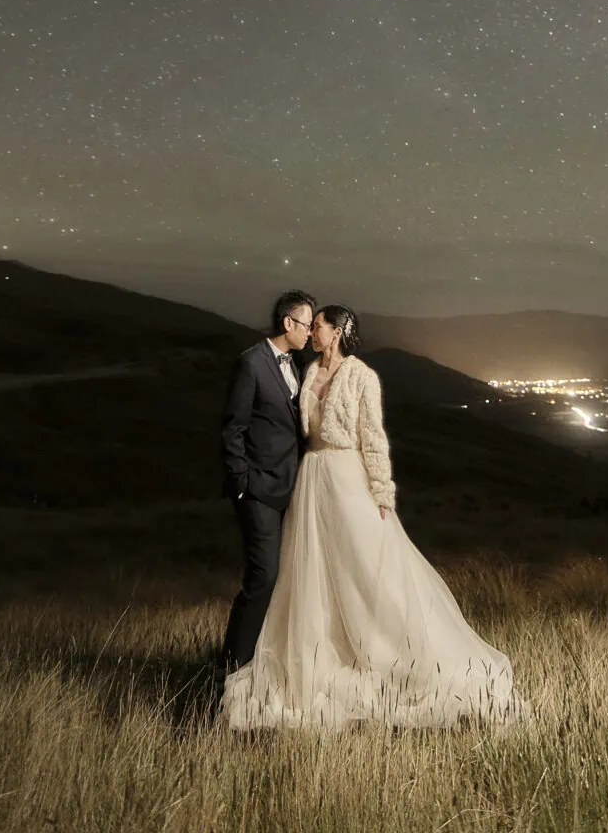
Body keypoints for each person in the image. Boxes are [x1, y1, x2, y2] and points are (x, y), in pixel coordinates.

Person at [221, 304, 521, 729]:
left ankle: (386, 654)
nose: (313, 333)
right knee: (312, 574)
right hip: (312, 481)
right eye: (310, 325)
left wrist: (381, 490)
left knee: (362, 567)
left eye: (320, 326)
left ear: (338, 331)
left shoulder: (362, 377)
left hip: (347, 478)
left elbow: (373, 437)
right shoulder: (308, 373)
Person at [219, 289, 316, 671]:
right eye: (306, 324)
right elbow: (233, 428)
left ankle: (266, 661)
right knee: (264, 576)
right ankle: (231, 667)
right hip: (258, 489)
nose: (309, 332)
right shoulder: (251, 363)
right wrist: (242, 482)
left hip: (291, 488)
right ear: (287, 322)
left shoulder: (297, 363)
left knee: (286, 576)